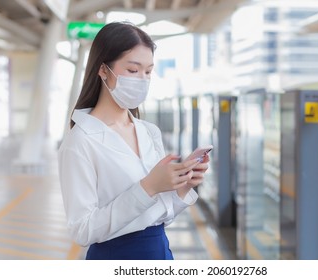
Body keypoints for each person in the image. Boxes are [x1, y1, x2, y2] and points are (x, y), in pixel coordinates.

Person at [57, 21, 209, 260]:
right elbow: (82, 229)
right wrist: (148, 186)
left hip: (159, 251)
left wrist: (183, 185)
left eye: (148, 71)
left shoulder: (149, 132)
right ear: (103, 69)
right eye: (132, 70)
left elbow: (161, 216)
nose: (142, 79)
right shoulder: (80, 142)